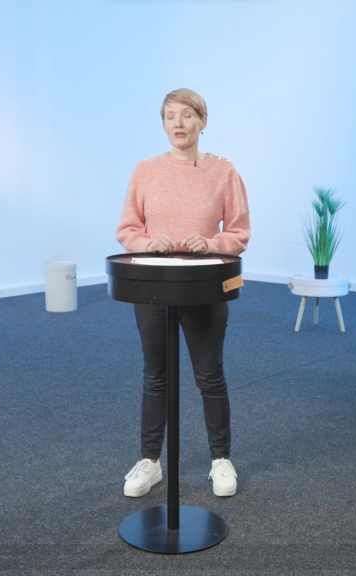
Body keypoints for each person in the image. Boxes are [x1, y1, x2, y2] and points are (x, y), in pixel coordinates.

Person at [115, 88, 250, 498]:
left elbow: (239, 232)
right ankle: (150, 462)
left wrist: (211, 243)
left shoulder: (224, 172)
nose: (178, 122)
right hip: (154, 285)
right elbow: (128, 229)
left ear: (202, 122)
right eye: (170, 115)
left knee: (209, 374)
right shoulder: (145, 171)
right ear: (163, 124)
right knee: (155, 375)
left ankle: (221, 460)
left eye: (187, 114)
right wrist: (146, 243)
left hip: (204, 286)